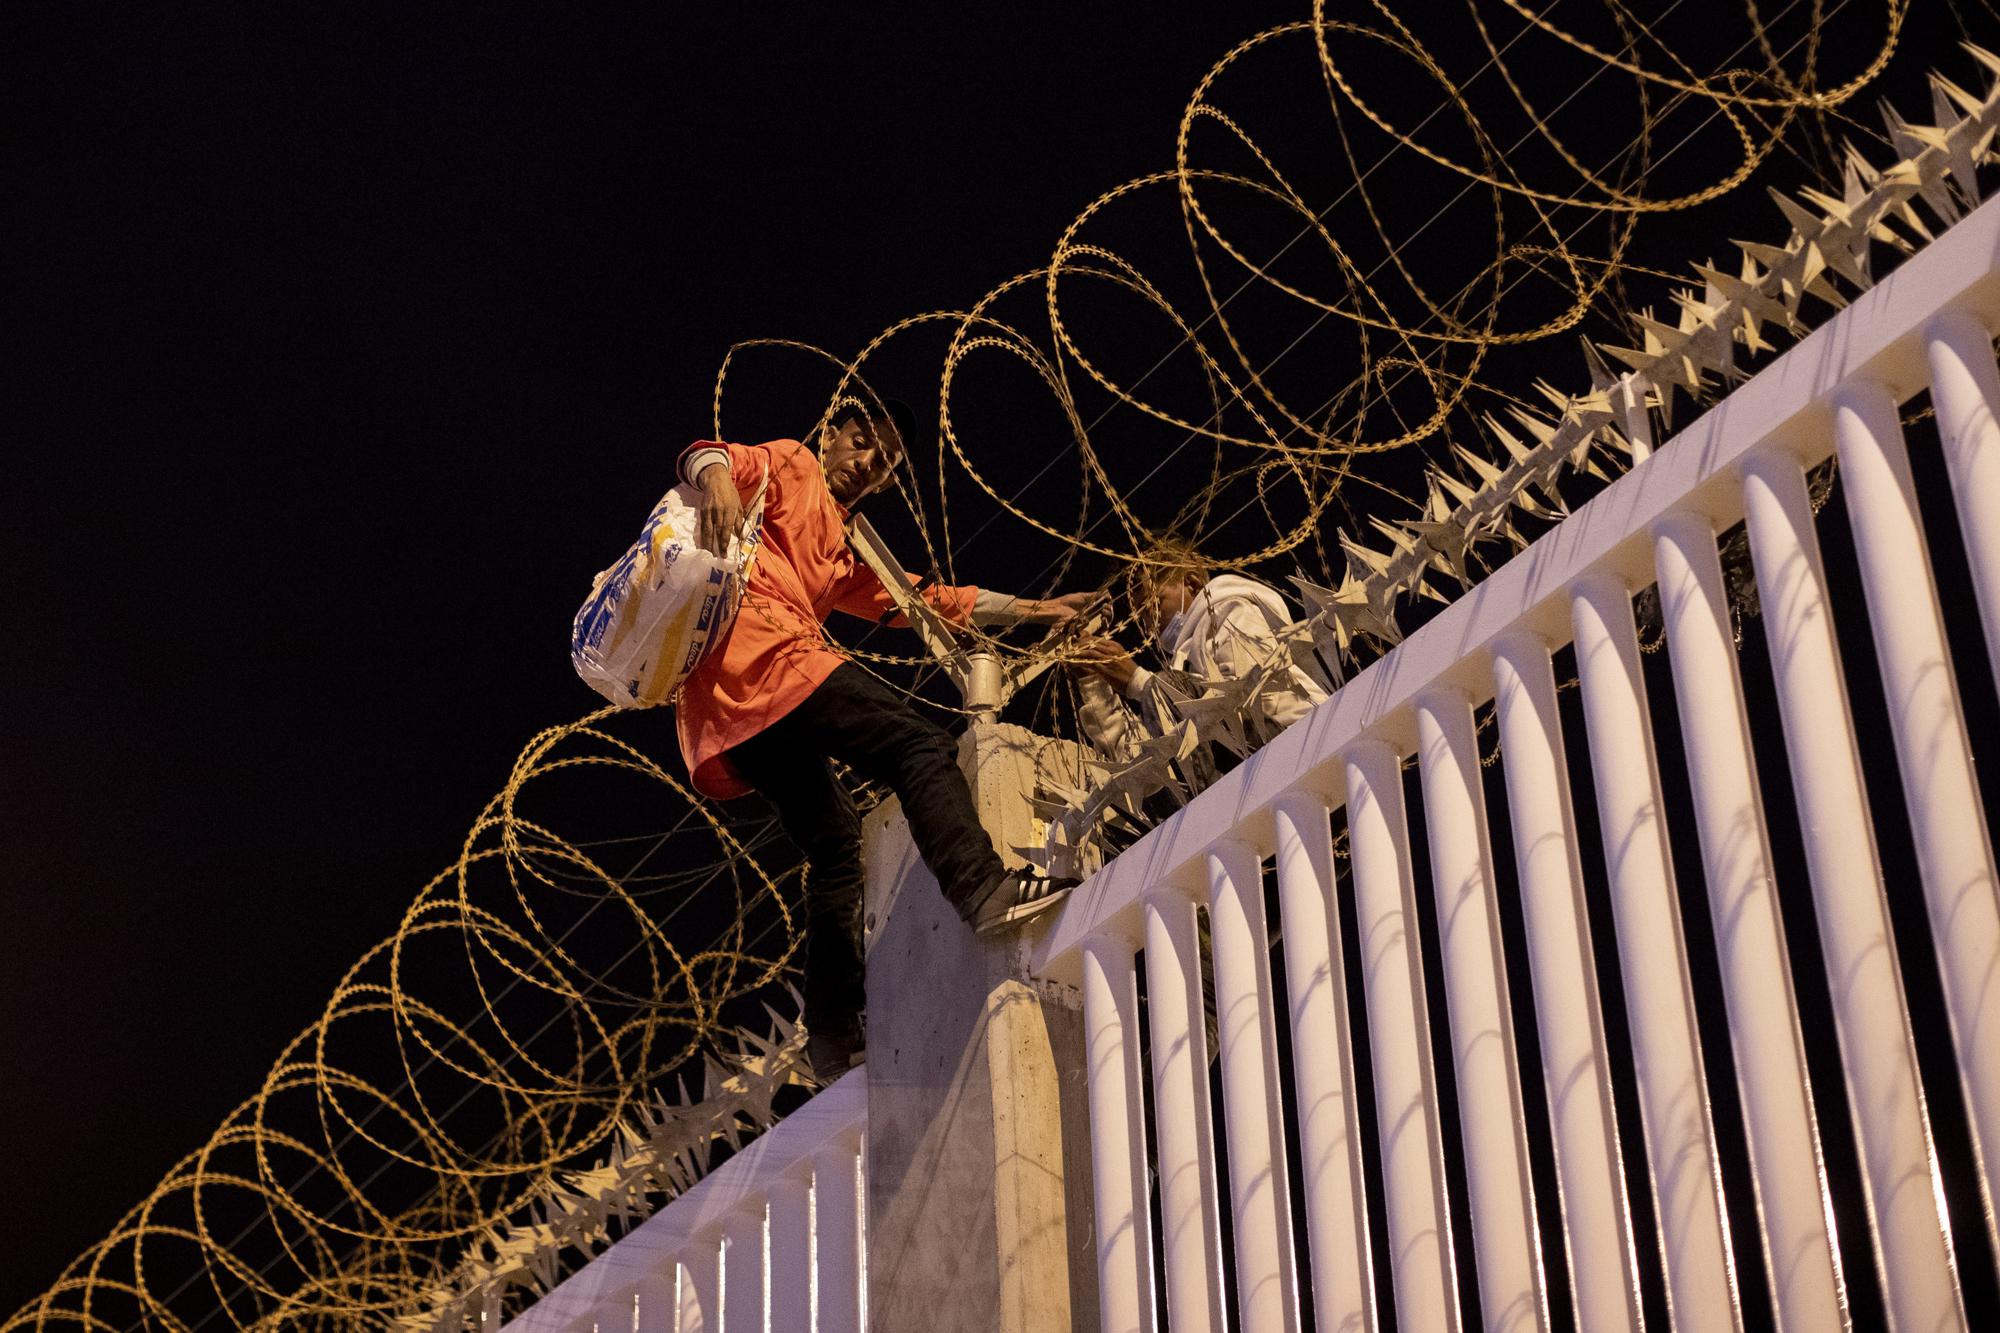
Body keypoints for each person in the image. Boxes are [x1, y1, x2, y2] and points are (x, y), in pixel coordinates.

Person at [677, 398, 1091, 1078]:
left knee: (837, 844)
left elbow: (922, 599)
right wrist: (718, 477)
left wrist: (1037, 609)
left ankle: (832, 1037)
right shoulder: (794, 461)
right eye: (863, 442)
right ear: (834, 431)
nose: (867, 462)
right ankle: (984, 890)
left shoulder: (843, 546)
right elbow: (707, 452)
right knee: (918, 747)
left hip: (729, 714)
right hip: (770, 656)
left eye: (884, 462)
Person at [1074, 536, 1328, 755]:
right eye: (1140, 617)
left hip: (1303, 741)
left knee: (1169, 689)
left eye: (1155, 603)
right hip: (1261, 762)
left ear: (1193, 584)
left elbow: (1250, 699)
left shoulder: (1229, 609)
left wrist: (1142, 684)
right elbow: (1150, 769)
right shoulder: (1185, 660)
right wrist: (1095, 684)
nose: (1149, 624)